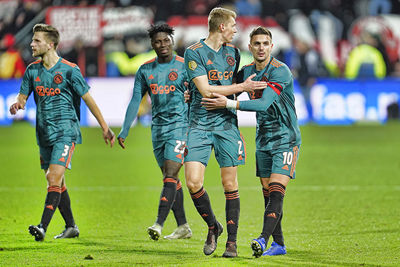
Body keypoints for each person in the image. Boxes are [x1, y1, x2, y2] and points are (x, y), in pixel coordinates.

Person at [9, 24, 115, 241]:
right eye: (33, 40)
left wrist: (104, 127)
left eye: (36, 40)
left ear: (50, 44)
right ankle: (71, 226)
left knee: (53, 177)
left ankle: (42, 227)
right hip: (44, 134)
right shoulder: (32, 71)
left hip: (66, 132)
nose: (32, 44)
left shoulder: (69, 70)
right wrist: (17, 104)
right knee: (57, 182)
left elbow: (88, 99)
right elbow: (22, 97)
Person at [201, 26, 301, 257]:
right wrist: (197, 94)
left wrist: (228, 104)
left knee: (276, 190)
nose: (261, 48)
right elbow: (227, 91)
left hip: (285, 137)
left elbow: (262, 104)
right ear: (250, 47)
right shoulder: (246, 73)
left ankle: (263, 239)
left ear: (271, 46)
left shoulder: (280, 71)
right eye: (257, 43)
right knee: (268, 193)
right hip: (263, 139)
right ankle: (279, 245)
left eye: (265, 43)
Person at [183, 7, 267, 257]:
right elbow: (207, 90)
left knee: (230, 183)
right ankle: (213, 226)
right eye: (233, 25)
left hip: (226, 125)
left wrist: (246, 88)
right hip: (199, 124)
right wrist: (241, 86)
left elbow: (232, 87)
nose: (235, 29)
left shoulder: (233, 53)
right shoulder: (193, 52)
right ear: (221, 27)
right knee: (193, 182)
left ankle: (232, 242)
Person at [118, 23, 192, 241]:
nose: (163, 45)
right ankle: (183, 227)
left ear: (173, 41)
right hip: (157, 129)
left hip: (180, 127)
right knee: (171, 178)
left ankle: (158, 224)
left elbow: (199, 93)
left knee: (170, 174)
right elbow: (135, 100)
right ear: (152, 44)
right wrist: (124, 130)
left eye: (166, 40)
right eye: (158, 41)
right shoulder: (145, 70)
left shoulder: (185, 66)